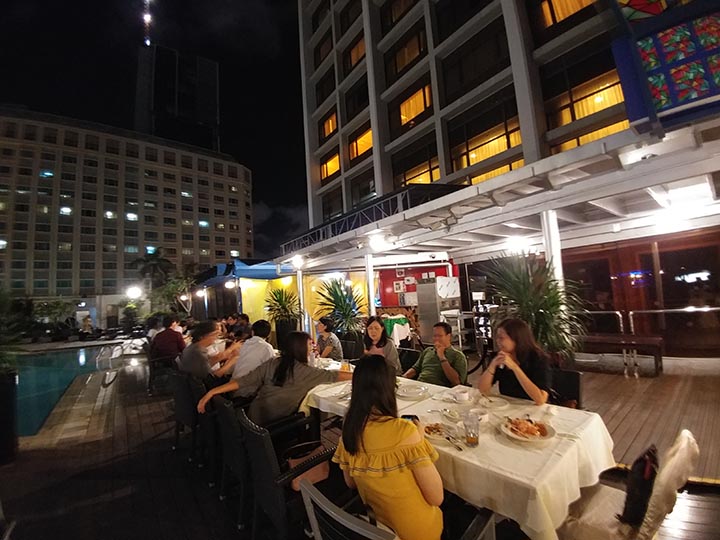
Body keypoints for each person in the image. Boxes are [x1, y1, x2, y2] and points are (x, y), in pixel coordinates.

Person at [333, 355, 444, 540]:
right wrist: (419, 438)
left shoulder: (349, 429)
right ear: (389, 389)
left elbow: (350, 482)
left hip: (378, 527)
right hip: (418, 532)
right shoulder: (405, 431)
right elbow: (436, 498)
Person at [197, 331, 352, 424]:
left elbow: (244, 380)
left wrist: (212, 392)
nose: (313, 347)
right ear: (300, 348)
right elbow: (335, 375)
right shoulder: (306, 372)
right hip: (273, 427)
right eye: (310, 344)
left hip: (253, 417)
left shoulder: (273, 363)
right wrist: (362, 374)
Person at [476, 318, 550, 405]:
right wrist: (492, 365)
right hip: (509, 405)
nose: (497, 341)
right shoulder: (500, 356)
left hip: (532, 406)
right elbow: (482, 390)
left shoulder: (538, 359)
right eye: (497, 338)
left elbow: (540, 399)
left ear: (517, 339)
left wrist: (515, 367)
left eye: (501, 338)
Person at [403, 322, 467, 387]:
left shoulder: (458, 356)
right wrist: (403, 378)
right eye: (434, 336)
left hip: (440, 389)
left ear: (449, 336)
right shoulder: (428, 351)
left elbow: (457, 382)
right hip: (421, 386)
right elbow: (415, 369)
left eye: (439, 336)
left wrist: (442, 357)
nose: (436, 338)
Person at [179, 320, 241, 385]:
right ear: (202, 336)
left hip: (191, 382)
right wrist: (231, 361)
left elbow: (206, 365)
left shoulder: (194, 347)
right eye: (215, 334)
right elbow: (212, 379)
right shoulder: (198, 352)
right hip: (201, 386)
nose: (216, 337)